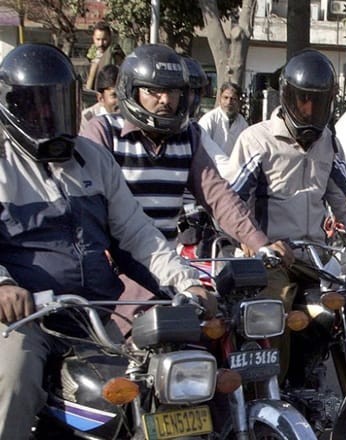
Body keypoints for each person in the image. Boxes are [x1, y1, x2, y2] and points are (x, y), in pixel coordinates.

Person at [0, 43, 215, 440]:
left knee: (154, 387)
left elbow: (137, 235)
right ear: (13, 107)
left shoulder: (93, 159)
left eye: (58, 103)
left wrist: (188, 283)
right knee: (14, 382)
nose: (49, 116)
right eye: (37, 106)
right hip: (24, 320)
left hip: (94, 315)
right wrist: (4, 285)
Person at [80, 44, 292, 331]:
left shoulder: (188, 136)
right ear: (132, 91)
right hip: (115, 273)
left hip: (166, 265)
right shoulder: (103, 133)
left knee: (217, 334)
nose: (165, 100)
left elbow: (218, 194)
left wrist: (259, 243)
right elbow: (86, 208)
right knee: (137, 351)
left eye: (173, 91)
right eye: (153, 91)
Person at [225, 49, 346, 383]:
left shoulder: (330, 142)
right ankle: (275, 393)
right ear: (287, 97)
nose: (311, 111)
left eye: (320, 102)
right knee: (276, 311)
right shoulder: (256, 140)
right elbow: (230, 207)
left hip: (314, 257)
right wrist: (261, 244)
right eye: (303, 101)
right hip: (267, 261)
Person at [199, 82, 249, 157]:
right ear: (220, 99)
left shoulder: (242, 123)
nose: (229, 102)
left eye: (233, 99)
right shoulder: (210, 119)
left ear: (239, 101)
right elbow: (200, 145)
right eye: (225, 98)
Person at [85, 21, 125, 90]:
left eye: (104, 39)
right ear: (93, 38)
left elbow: (122, 73)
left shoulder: (114, 52)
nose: (101, 43)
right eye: (98, 39)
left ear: (110, 38)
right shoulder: (92, 54)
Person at [80, 64, 119, 129]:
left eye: (122, 94)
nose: (119, 101)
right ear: (101, 98)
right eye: (114, 95)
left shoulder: (130, 117)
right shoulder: (87, 121)